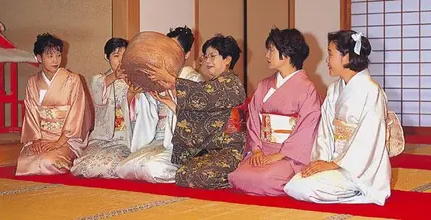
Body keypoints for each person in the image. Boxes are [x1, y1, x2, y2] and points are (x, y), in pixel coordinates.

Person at [284, 30, 393, 206]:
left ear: (346, 57)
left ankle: (362, 191)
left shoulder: (371, 91)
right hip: (334, 161)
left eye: (330, 54)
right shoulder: (334, 89)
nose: (327, 60)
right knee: (294, 184)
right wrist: (322, 161)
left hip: (360, 168)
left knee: (300, 186)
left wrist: (335, 164)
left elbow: (368, 139)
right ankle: (349, 191)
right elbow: (325, 132)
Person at [227, 28, 322, 196]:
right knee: (238, 176)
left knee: (267, 178)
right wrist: (256, 149)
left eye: (271, 50)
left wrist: (281, 154)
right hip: (262, 150)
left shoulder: (307, 89)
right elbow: (253, 119)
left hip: (289, 155)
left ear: (286, 54)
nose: (266, 55)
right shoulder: (264, 85)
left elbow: (307, 128)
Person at [145, 34, 246, 189]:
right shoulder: (213, 84)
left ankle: (238, 178)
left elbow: (204, 94)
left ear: (228, 59)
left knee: (202, 175)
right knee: (183, 174)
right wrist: (171, 104)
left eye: (213, 56)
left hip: (231, 150)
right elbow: (199, 116)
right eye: (205, 56)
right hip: (212, 150)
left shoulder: (231, 83)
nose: (207, 61)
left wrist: (171, 80)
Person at [115, 26, 205, 183]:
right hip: (157, 137)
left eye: (175, 49)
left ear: (187, 54)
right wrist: (136, 93)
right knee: (124, 168)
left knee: (153, 168)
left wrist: (171, 92)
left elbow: (195, 119)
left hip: (178, 142)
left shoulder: (192, 78)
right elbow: (146, 110)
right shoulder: (156, 75)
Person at [16, 33, 92, 176]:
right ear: (39, 58)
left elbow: (77, 113)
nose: (56, 60)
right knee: (26, 162)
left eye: (58, 55)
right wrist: (37, 140)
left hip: (67, 138)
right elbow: (31, 113)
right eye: (50, 56)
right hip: (42, 136)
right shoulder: (33, 82)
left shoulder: (73, 80)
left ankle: (71, 158)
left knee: (47, 162)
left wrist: (59, 142)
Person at [70, 38, 141, 178]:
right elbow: (98, 89)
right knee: (84, 167)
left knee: (112, 166)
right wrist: (115, 76)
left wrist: (133, 92)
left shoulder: (135, 81)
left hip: (125, 138)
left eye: (124, 56)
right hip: (102, 138)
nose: (121, 61)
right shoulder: (99, 79)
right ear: (106, 57)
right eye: (116, 56)